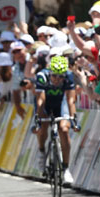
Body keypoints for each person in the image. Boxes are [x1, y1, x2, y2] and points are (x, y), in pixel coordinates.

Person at [34, 56, 78, 184]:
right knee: (43, 127)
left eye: (61, 76)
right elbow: (40, 100)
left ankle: (65, 168)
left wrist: (74, 120)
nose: (58, 79)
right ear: (49, 72)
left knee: (64, 130)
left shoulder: (69, 76)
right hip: (45, 103)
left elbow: (70, 100)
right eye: (54, 76)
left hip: (60, 103)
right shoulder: (42, 76)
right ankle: (42, 152)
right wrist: (39, 120)